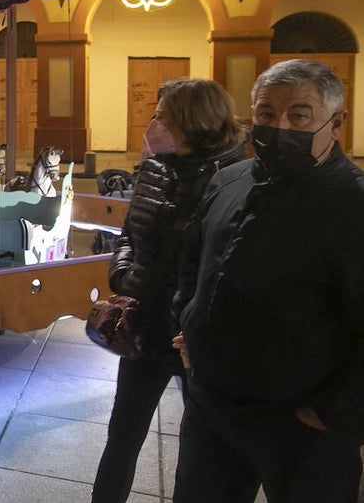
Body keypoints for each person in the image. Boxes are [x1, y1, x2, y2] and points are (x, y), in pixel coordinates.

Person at [173, 59, 364, 503]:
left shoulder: (353, 205)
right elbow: (194, 263)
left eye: (299, 115)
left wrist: (331, 412)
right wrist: (187, 323)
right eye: (265, 113)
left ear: (336, 123)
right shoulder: (230, 180)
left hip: (301, 421)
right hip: (212, 405)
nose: (278, 126)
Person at [90, 78, 246, 503]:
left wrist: (191, 316)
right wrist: (124, 276)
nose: (152, 123)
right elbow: (129, 233)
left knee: (198, 451)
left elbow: (221, 266)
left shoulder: (229, 180)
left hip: (190, 338)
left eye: (162, 115)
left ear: (193, 123)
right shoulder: (155, 166)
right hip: (142, 328)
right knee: (122, 436)